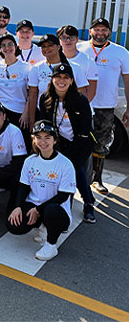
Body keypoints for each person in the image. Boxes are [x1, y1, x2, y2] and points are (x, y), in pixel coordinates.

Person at [6, 120, 76, 261]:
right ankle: (42, 224)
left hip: (56, 209)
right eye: (39, 137)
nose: (43, 142)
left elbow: (63, 196)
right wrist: (18, 207)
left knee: (51, 211)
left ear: (55, 140)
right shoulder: (30, 160)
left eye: (47, 137)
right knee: (13, 225)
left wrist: (38, 210)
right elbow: (23, 186)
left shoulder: (65, 164)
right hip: (35, 205)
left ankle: (51, 245)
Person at [37, 63, 96, 223]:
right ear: (52, 79)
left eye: (66, 78)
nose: (61, 81)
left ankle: (88, 202)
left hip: (80, 142)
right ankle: (59, 201)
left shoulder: (80, 100)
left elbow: (85, 130)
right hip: (59, 142)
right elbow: (44, 123)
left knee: (73, 168)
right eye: (58, 77)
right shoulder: (45, 98)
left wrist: (69, 155)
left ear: (71, 81)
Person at [78, 17, 129, 194]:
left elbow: (127, 80)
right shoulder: (79, 48)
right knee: (79, 140)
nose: (100, 33)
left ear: (109, 32)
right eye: (97, 30)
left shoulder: (121, 52)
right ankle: (77, 175)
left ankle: (97, 179)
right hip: (82, 104)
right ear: (90, 31)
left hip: (106, 106)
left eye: (104, 30)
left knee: (102, 142)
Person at [26, 34, 88, 127]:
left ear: (58, 47)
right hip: (44, 114)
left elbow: (82, 93)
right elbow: (33, 95)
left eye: (50, 45)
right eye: (43, 46)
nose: (47, 48)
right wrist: (32, 120)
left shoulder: (74, 67)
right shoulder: (37, 68)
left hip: (68, 116)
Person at [0, 34, 30, 127]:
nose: (7, 48)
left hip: (18, 112)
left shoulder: (26, 67)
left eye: (10, 44)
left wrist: (26, 113)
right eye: (3, 45)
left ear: (16, 47)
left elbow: (31, 94)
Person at [57, 25, 98, 104]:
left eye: (71, 37)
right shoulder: (53, 59)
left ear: (77, 39)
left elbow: (91, 90)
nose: (68, 41)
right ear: (59, 40)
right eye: (64, 38)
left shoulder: (88, 60)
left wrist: (81, 107)